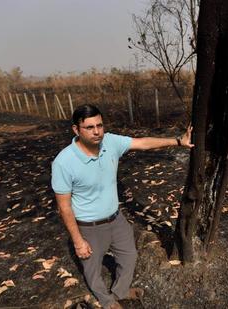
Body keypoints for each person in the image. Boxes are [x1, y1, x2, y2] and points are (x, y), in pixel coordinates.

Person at [51, 104, 193, 309]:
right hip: (88, 225)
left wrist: (178, 141)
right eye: (89, 127)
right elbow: (64, 207)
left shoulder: (110, 142)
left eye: (99, 125)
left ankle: (121, 290)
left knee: (129, 255)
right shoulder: (64, 162)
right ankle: (107, 301)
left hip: (115, 218)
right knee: (92, 269)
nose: (97, 131)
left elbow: (143, 143)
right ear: (76, 130)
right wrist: (77, 240)